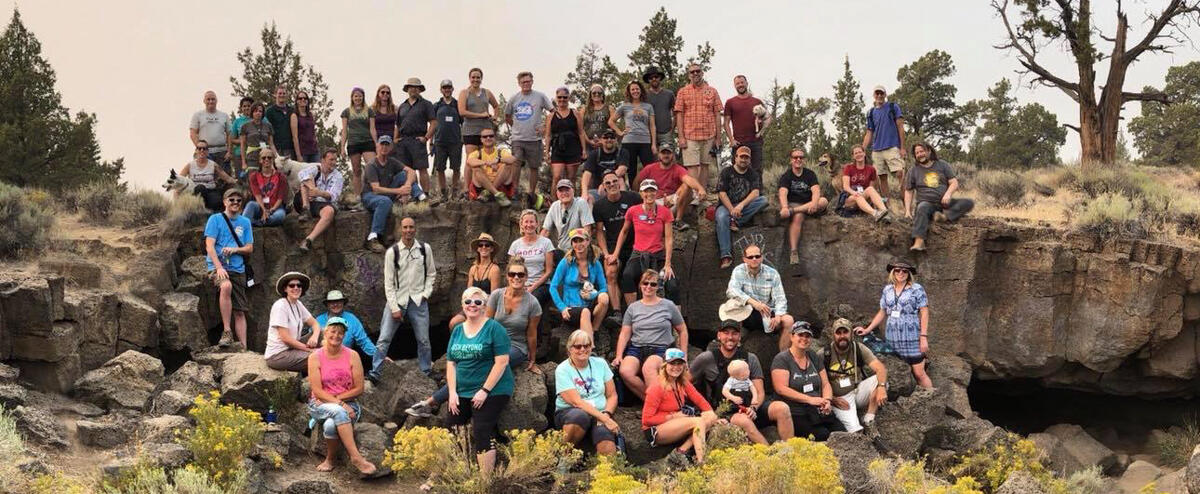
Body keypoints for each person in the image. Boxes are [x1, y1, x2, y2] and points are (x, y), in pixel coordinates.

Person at [404, 259, 541, 418]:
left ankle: (431, 402)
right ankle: (434, 401)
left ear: (526, 277)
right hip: (492, 341)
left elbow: (532, 333)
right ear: (507, 276)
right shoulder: (497, 295)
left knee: (483, 365)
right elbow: (485, 322)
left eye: (520, 274)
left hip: (515, 346)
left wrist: (533, 359)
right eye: (512, 274)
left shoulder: (532, 303)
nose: (516, 277)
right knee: (470, 363)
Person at [445, 287, 515, 477]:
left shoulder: (494, 328)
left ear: (484, 306)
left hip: (493, 389)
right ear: (463, 305)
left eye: (477, 302)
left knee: (482, 429)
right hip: (463, 389)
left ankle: (485, 481)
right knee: (452, 426)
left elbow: (502, 362)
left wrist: (484, 390)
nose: (472, 305)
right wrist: (452, 392)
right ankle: (455, 474)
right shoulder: (458, 330)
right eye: (468, 302)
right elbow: (451, 363)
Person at [691, 320, 794, 445]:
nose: (730, 337)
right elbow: (687, 385)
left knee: (782, 408)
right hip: (726, 413)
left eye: (734, 333)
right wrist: (705, 413)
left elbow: (760, 392)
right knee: (743, 420)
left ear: (739, 337)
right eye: (726, 333)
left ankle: (790, 450)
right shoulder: (706, 359)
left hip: (751, 408)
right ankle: (769, 453)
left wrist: (753, 408)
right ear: (719, 335)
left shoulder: (751, 358)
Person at [306, 317, 377, 475]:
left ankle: (330, 460)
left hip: (349, 404)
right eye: (333, 331)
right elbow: (317, 391)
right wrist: (340, 404)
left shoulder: (352, 355)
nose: (336, 336)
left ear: (344, 335)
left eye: (340, 333)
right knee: (338, 411)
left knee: (331, 425)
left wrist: (340, 401)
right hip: (319, 404)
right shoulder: (314, 357)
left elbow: (359, 388)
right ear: (325, 332)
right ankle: (356, 457)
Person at [372, 217, 436, 382]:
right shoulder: (392, 252)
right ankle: (375, 372)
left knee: (424, 340)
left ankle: (426, 371)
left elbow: (431, 274)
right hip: (397, 299)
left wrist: (425, 294)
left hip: (417, 300)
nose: (408, 230)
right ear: (400, 229)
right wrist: (394, 307)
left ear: (415, 229)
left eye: (411, 227)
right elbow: (388, 283)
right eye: (405, 227)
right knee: (384, 338)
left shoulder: (424, 249)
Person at [854, 259, 932, 388]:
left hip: (912, 338)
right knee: (899, 370)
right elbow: (882, 312)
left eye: (904, 271)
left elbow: (924, 312)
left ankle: (932, 400)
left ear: (909, 273)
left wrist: (923, 337)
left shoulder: (916, 289)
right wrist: (868, 330)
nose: (901, 273)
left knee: (919, 373)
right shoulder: (887, 290)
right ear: (892, 272)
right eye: (897, 270)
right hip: (893, 338)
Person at [612, 270, 687, 400]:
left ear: (658, 287)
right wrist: (619, 355)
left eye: (653, 284)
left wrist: (683, 355)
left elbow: (683, 330)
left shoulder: (668, 305)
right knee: (625, 371)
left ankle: (657, 404)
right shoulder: (633, 308)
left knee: (648, 368)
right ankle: (654, 401)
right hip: (636, 348)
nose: (648, 287)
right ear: (640, 285)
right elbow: (625, 333)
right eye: (645, 283)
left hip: (661, 349)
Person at [770, 321, 846, 441]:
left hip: (818, 411)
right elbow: (781, 388)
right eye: (800, 335)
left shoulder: (813, 356)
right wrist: (810, 400)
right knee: (823, 435)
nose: (804, 339)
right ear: (792, 336)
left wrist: (827, 400)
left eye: (807, 336)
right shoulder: (782, 359)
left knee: (843, 434)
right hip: (797, 412)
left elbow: (825, 383)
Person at [641, 348, 719, 464]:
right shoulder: (657, 387)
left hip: (676, 423)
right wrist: (672, 417)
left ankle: (682, 450)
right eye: (672, 363)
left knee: (710, 418)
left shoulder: (681, 382)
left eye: (679, 363)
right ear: (664, 365)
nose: (676, 367)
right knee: (698, 422)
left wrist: (711, 414)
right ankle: (703, 462)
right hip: (656, 430)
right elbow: (647, 420)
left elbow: (699, 399)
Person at [611, 179, 678, 308]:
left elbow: (669, 238)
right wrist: (615, 253)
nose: (649, 194)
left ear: (656, 192)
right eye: (646, 191)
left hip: (658, 254)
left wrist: (668, 264)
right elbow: (624, 232)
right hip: (638, 253)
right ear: (641, 193)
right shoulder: (633, 211)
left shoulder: (665, 212)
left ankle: (676, 321)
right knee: (627, 276)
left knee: (672, 284)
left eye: (652, 190)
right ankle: (634, 312)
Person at [554, 329, 620, 455]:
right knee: (580, 416)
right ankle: (562, 459)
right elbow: (576, 402)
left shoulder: (601, 364)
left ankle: (608, 472)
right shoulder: (562, 369)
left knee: (605, 437)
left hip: (600, 413)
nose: (583, 349)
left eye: (586, 345)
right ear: (570, 349)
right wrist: (605, 420)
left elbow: (612, 395)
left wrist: (606, 414)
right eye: (578, 346)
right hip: (570, 413)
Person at [819, 318, 888, 433]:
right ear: (833, 335)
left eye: (845, 332)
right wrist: (832, 400)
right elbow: (816, 383)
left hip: (857, 390)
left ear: (851, 334)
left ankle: (868, 419)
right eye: (838, 333)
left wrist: (881, 387)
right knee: (855, 432)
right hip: (840, 399)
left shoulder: (858, 348)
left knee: (881, 380)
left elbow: (880, 368)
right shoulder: (824, 354)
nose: (842, 336)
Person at [204, 188, 252, 347]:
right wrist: (218, 268)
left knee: (240, 311)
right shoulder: (215, 219)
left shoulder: (245, 222)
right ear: (225, 202)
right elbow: (209, 246)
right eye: (232, 200)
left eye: (239, 200)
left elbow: (249, 248)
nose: (235, 203)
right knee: (225, 286)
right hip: (218, 266)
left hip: (238, 269)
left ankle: (244, 347)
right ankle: (227, 332)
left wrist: (235, 249)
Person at [904, 142, 974, 252]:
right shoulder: (913, 170)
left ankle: (944, 217)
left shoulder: (942, 165)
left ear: (929, 151)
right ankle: (919, 242)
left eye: (922, 151)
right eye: (917, 153)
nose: (919, 154)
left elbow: (954, 182)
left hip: (944, 203)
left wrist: (948, 194)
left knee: (968, 202)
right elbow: (908, 191)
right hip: (926, 204)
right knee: (922, 207)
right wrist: (907, 210)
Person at [361, 135, 425, 253]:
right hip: (370, 196)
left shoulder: (392, 162)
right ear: (377, 146)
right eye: (382, 144)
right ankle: (373, 237)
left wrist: (407, 185)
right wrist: (399, 191)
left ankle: (422, 198)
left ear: (390, 147)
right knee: (385, 202)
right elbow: (376, 189)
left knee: (404, 175)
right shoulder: (371, 165)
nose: (384, 147)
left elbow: (411, 171)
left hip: (386, 194)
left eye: (387, 145)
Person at [726, 244, 794, 350]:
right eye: (750, 257)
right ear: (744, 259)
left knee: (789, 320)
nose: (754, 259)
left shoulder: (772, 273)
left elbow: (780, 298)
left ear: (761, 257)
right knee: (732, 305)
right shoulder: (738, 271)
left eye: (757, 256)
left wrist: (779, 316)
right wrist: (754, 303)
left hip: (768, 315)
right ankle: (734, 348)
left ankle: (783, 358)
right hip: (746, 313)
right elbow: (731, 291)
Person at [591, 172, 640, 316]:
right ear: (603, 187)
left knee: (636, 274)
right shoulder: (599, 205)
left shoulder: (633, 198)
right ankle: (617, 312)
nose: (612, 184)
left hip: (635, 244)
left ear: (620, 182)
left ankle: (635, 313)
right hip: (612, 245)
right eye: (608, 183)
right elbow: (599, 231)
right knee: (610, 272)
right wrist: (606, 254)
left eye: (614, 181)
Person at [549, 228, 610, 336]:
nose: (578, 244)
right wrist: (562, 307)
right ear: (572, 244)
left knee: (604, 297)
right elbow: (553, 287)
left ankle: (594, 330)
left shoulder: (595, 263)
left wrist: (593, 294)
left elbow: (603, 287)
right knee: (585, 312)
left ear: (587, 241)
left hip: (590, 306)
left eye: (581, 240)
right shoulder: (566, 262)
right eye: (575, 241)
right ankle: (590, 345)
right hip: (572, 308)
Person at [673, 63, 723, 194]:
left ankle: (703, 194)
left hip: (708, 135)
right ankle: (693, 195)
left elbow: (717, 113)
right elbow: (679, 114)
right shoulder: (683, 92)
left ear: (702, 72)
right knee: (692, 167)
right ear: (689, 75)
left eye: (698, 71)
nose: (695, 74)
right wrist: (681, 137)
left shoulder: (712, 91)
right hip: (690, 135)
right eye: (692, 72)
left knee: (705, 165)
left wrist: (718, 137)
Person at [505, 71, 553, 204]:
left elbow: (552, 112)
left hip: (534, 138)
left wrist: (545, 126)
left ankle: (531, 192)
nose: (526, 84)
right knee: (516, 162)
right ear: (519, 83)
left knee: (534, 166)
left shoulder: (540, 96)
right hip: (518, 138)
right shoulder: (514, 98)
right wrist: (516, 126)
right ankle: (514, 190)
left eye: (528, 81)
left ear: (532, 81)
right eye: (523, 82)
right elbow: (507, 116)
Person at [715, 146, 767, 268]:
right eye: (741, 157)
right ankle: (726, 255)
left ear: (750, 160)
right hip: (726, 205)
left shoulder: (753, 174)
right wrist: (732, 209)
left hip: (743, 206)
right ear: (736, 157)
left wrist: (740, 206)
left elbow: (755, 193)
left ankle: (735, 220)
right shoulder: (726, 172)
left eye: (746, 158)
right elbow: (721, 193)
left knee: (763, 200)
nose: (744, 160)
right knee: (722, 217)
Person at [777, 148, 829, 265]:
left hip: (810, 204)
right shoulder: (787, 176)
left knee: (824, 201)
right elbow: (783, 192)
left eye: (801, 157)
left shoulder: (810, 174)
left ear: (804, 160)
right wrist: (785, 207)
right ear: (791, 160)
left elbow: (816, 191)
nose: (798, 159)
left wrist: (815, 203)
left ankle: (793, 211)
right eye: (795, 157)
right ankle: (794, 252)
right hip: (795, 203)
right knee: (798, 216)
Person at [633, 147, 706, 231]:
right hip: (655, 201)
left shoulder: (678, 169)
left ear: (673, 155)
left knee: (687, 186)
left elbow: (688, 179)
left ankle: (678, 221)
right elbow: (637, 181)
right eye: (663, 153)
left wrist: (700, 188)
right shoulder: (650, 168)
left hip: (673, 201)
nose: (666, 155)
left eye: (668, 153)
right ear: (659, 155)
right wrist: (638, 199)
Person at [264, 272, 322, 372]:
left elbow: (315, 324)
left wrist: (315, 337)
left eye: (299, 285)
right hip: (279, 355)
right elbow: (285, 338)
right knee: (320, 357)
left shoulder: (298, 304)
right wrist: (309, 349)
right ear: (285, 289)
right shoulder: (280, 306)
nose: (296, 288)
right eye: (291, 285)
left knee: (323, 333)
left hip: (293, 348)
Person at [458, 68, 502, 193]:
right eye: (473, 77)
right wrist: (480, 115)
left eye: (478, 77)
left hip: (486, 131)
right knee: (470, 160)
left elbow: (496, 106)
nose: (475, 80)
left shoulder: (487, 92)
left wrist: (495, 117)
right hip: (470, 131)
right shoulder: (464, 93)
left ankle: (482, 187)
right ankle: (467, 189)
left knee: (486, 159)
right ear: (469, 78)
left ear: (481, 79)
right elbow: (462, 112)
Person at [314, 290, 377, 375]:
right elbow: (311, 342)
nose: (335, 304)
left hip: (345, 359)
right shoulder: (319, 320)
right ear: (327, 304)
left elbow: (364, 341)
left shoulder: (351, 319)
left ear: (343, 303)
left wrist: (379, 356)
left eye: (338, 301)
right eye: (332, 302)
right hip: (322, 360)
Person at [448, 233, 503, 329]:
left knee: (477, 326)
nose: (484, 247)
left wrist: (478, 305)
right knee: (454, 323)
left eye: (487, 245)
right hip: (471, 305)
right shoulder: (473, 269)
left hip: (486, 307)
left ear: (492, 249)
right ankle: (458, 344)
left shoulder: (494, 269)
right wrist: (469, 306)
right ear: (477, 248)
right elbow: (469, 293)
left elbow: (494, 297)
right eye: (481, 245)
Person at [609, 81, 657, 187]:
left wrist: (653, 144)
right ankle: (633, 193)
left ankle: (650, 190)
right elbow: (611, 121)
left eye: (637, 89)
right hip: (629, 141)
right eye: (633, 89)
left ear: (641, 90)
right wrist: (620, 132)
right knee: (631, 170)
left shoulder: (648, 107)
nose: (635, 91)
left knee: (650, 168)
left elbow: (652, 126)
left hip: (645, 141)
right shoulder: (625, 106)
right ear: (629, 92)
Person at [862, 85, 906, 198]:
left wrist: (902, 147)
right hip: (877, 149)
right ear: (874, 95)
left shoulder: (893, 107)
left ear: (885, 95)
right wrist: (862, 149)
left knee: (900, 173)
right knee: (881, 177)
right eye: (877, 93)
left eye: (882, 93)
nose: (879, 96)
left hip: (892, 146)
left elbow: (901, 127)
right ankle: (887, 204)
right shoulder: (871, 113)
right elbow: (869, 132)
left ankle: (905, 202)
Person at [296, 149, 344, 252]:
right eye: (331, 159)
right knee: (305, 181)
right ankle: (305, 210)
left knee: (330, 211)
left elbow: (333, 196)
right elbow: (301, 175)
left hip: (322, 203)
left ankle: (309, 240)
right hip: (305, 200)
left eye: (335, 160)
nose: (334, 163)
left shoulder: (338, 176)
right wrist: (313, 188)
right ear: (323, 160)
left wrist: (319, 193)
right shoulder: (315, 168)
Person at [395, 77, 437, 195]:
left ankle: (426, 194)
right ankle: (415, 195)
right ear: (407, 89)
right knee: (408, 171)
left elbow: (433, 123)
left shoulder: (426, 104)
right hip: (403, 141)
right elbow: (397, 126)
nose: (413, 89)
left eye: (416, 87)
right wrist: (395, 139)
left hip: (418, 139)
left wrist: (426, 138)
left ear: (420, 89)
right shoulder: (402, 106)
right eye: (411, 87)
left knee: (422, 169)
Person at [723, 76, 770, 171]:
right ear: (734, 86)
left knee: (756, 170)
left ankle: (757, 186)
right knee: (737, 171)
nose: (740, 85)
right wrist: (731, 140)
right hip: (739, 142)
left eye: (742, 82)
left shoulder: (757, 101)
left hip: (756, 142)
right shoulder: (730, 102)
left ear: (746, 83)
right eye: (738, 83)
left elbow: (768, 117)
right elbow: (726, 123)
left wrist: (761, 131)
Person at [508, 209, 555, 305]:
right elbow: (511, 271)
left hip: (541, 285)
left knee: (530, 301)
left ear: (537, 224)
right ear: (521, 224)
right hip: (519, 283)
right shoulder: (515, 245)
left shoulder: (546, 243)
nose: (529, 225)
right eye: (526, 222)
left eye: (532, 221)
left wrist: (531, 288)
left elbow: (549, 271)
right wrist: (519, 286)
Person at [545, 86, 587, 191]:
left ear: (568, 98)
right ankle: (554, 205)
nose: (562, 99)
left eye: (565, 97)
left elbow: (581, 132)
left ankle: (571, 204)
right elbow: (548, 135)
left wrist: (584, 150)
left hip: (573, 148)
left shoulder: (575, 113)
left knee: (571, 178)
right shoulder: (551, 116)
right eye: (559, 97)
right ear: (556, 98)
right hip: (557, 149)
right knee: (557, 177)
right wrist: (546, 152)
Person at [178, 139, 237, 212]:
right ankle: (199, 211)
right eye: (199, 148)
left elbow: (226, 178)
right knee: (200, 188)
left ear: (207, 151)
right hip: (196, 191)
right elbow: (179, 180)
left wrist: (236, 182)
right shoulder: (190, 165)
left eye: (204, 148)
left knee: (218, 201)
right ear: (196, 151)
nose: (202, 150)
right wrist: (176, 195)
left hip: (210, 191)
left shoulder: (213, 164)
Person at [464, 129, 516, 206]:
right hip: (481, 186)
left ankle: (488, 192)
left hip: (500, 185)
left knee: (507, 165)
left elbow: (512, 159)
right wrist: (486, 163)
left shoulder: (501, 151)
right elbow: (469, 161)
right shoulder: (477, 153)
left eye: (491, 136)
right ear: (481, 140)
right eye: (485, 137)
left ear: (494, 138)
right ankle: (496, 193)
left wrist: (498, 161)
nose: (488, 138)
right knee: (476, 168)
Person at [340, 87, 375, 198]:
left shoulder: (369, 111)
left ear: (363, 97)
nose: (358, 98)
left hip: (367, 141)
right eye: (356, 96)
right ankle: (357, 195)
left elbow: (372, 129)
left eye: (360, 96)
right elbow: (344, 130)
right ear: (352, 97)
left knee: (372, 166)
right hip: (353, 143)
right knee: (356, 170)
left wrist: (377, 143)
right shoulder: (347, 112)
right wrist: (342, 147)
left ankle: (374, 191)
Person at [541, 179, 595, 252]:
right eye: (561, 191)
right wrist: (538, 248)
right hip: (561, 250)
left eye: (567, 190)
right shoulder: (554, 206)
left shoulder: (581, 203)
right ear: (557, 193)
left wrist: (582, 248)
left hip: (578, 249)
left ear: (573, 191)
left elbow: (587, 229)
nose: (564, 193)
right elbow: (545, 231)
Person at [840, 145, 890, 222]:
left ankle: (884, 212)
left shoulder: (871, 169)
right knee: (857, 196)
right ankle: (875, 214)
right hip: (850, 198)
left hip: (863, 195)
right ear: (853, 156)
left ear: (864, 153)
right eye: (856, 153)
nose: (858, 154)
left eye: (860, 152)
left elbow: (871, 188)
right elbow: (846, 187)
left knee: (870, 189)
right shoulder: (849, 168)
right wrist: (854, 193)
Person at [432, 79, 463, 200]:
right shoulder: (436, 106)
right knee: (440, 168)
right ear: (441, 90)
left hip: (455, 141)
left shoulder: (457, 104)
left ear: (452, 89)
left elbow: (463, 123)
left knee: (456, 167)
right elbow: (432, 124)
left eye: (449, 87)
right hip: (440, 141)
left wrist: (462, 139)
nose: (447, 90)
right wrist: (431, 142)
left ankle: (455, 191)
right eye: (444, 88)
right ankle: (443, 192)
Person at [243, 149, 289, 227]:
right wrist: (264, 210)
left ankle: (258, 222)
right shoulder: (254, 176)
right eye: (264, 158)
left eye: (269, 157)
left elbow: (280, 198)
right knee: (250, 204)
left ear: (273, 160)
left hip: (276, 208)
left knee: (280, 216)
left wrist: (272, 210)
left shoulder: (281, 177)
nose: (266, 159)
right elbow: (257, 195)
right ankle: (245, 223)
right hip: (260, 207)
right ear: (260, 160)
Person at [579, 130, 630, 199]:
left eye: (612, 137)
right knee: (588, 198)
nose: (609, 140)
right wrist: (584, 193)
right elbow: (587, 174)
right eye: (606, 137)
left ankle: (621, 205)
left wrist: (605, 184)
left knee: (620, 180)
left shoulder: (623, 152)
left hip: (617, 188)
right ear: (601, 140)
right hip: (598, 190)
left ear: (616, 140)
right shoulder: (594, 154)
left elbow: (622, 169)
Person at [190, 91, 231, 173]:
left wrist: (229, 151)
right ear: (204, 101)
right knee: (204, 177)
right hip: (205, 152)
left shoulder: (224, 115)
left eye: (213, 99)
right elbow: (193, 134)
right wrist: (200, 149)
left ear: (216, 100)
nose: (211, 101)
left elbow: (229, 134)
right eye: (208, 99)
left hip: (222, 152)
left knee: (225, 179)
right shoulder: (198, 115)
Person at [642, 67, 675, 151]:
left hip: (666, 132)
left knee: (668, 158)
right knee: (652, 161)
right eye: (651, 77)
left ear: (660, 78)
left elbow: (676, 112)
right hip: (649, 133)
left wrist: (672, 128)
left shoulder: (669, 94)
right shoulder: (644, 96)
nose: (654, 79)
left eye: (656, 77)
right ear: (648, 80)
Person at [238, 102, 275, 174]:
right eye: (255, 111)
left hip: (266, 157)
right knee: (253, 178)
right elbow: (243, 145)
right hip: (252, 157)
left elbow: (271, 144)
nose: (258, 113)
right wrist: (243, 162)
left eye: (260, 111)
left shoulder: (268, 126)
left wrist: (276, 157)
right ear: (252, 112)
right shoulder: (245, 126)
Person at [581, 84, 615, 152]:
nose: (596, 94)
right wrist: (588, 141)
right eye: (594, 93)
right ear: (590, 95)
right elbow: (580, 128)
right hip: (588, 144)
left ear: (603, 95)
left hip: (605, 144)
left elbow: (613, 128)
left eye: (599, 93)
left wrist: (603, 140)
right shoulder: (584, 109)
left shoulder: (609, 109)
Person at [266, 87, 295, 159]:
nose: (282, 95)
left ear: (287, 95)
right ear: (275, 95)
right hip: (276, 148)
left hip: (290, 148)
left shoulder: (292, 111)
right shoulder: (270, 111)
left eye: (284, 93)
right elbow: (267, 130)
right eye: (280, 93)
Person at [290, 90, 319, 162]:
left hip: (314, 150)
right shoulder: (294, 116)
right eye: (300, 98)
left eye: (305, 98)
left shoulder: (311, 115)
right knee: (304, 173)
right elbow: (295, 137)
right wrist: (298, 155)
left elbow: (313, 132)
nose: (303, 100)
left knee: (316, 172)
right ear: (297, 101)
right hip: (303, 151)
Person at [229, 97, 254, 177]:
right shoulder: (237, 121)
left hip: (255, 154)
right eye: (244, 106)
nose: (247, 108)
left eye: (249, 106)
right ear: (241, 108)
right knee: (241, 179)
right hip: (239, 154)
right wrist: (243, 141)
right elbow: (231, 139)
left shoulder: (259, 119)